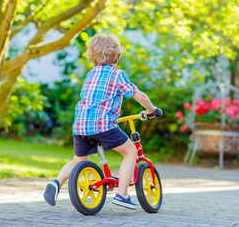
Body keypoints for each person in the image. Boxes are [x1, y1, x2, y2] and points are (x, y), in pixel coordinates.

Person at [44, 33, 156, 210]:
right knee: (130, 152)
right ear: (118, 56)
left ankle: (56, 182)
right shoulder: (117, 75)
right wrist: (151, 110)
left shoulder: (90, 75)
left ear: (92, 57)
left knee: (77, 161)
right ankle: (122, 195)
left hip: (80, 127)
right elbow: (139, 96)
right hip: (103, 126)